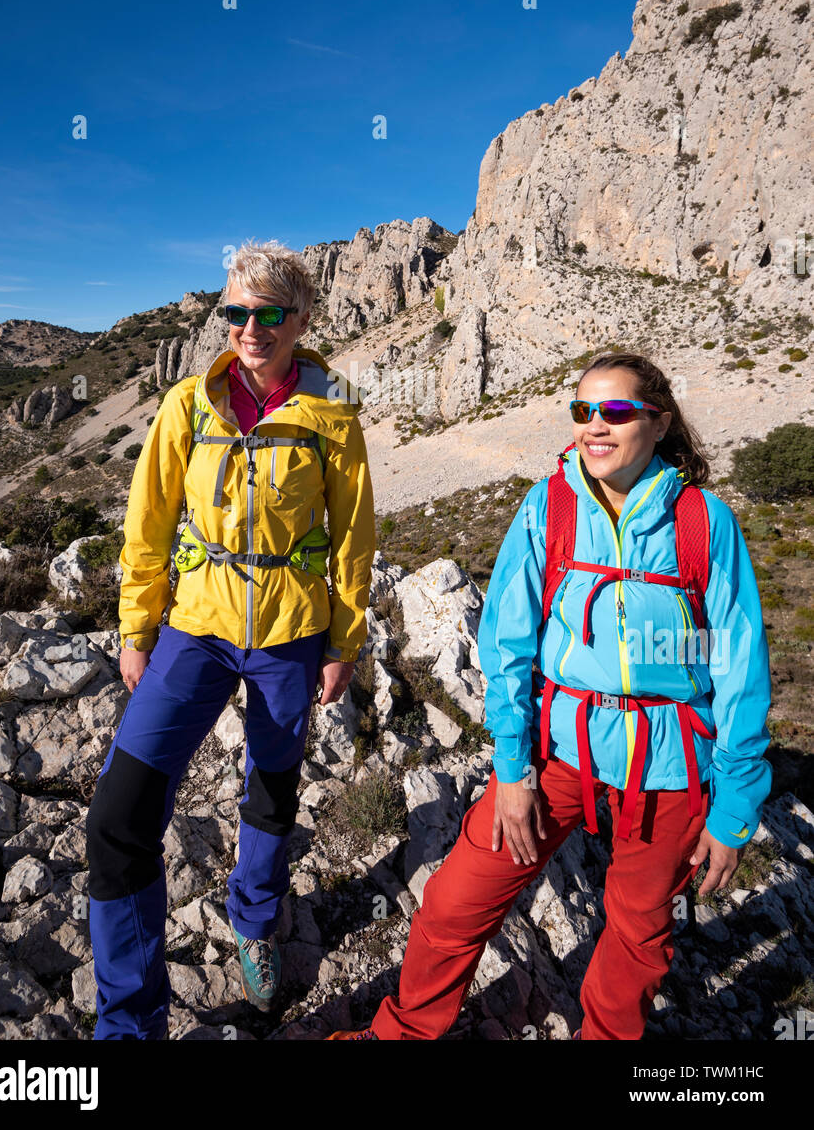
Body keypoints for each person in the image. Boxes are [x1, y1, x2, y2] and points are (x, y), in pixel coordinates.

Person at [329, 351, 771, 1040]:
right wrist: (511, 769)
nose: (594, 425)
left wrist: (735, 806)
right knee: (454, 903)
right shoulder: (550, 506)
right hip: (559, 752)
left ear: (657, 423)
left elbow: (740, 670)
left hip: (671, 766)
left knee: (636, 938)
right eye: (581, 411)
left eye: (616, 411)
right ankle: (404, 1033)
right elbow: (506, 647)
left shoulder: (702, 523)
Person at [86, 240, 375, 1039]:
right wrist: (137, 627)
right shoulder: (187, 404)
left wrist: (342, 639)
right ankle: (128, 1022)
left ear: (301, 318)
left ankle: (253, 923)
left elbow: (353, 537)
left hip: (290, 632)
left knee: (271, 791)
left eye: (270, 313)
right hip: (197, 628)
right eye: (236, 312)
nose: (251, 328)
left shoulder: (334, 409)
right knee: (118, 816)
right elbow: (147, 525)